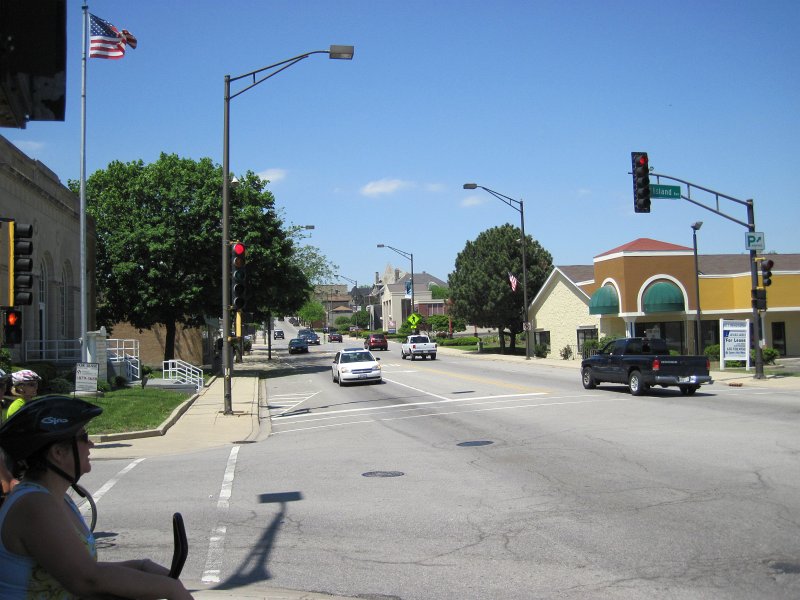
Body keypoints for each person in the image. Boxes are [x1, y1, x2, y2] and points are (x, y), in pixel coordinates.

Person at [0, 395, 194, 599]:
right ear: (58, 453)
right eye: (83, 437)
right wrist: (170, 588)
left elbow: (77, 567)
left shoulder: (59, 498)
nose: (91, 444)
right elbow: (87, 580)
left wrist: (140, 567)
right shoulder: (34, 505)